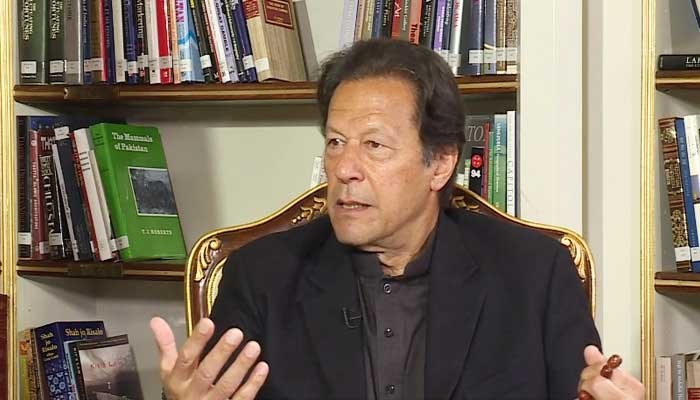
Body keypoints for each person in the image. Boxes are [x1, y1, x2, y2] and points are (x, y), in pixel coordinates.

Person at [150, 39, 645, 400]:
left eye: (374, 145)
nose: (344, 168)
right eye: (335, 142)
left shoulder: (534, 273)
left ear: (440, 164)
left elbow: (585, 389)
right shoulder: (262, 276)